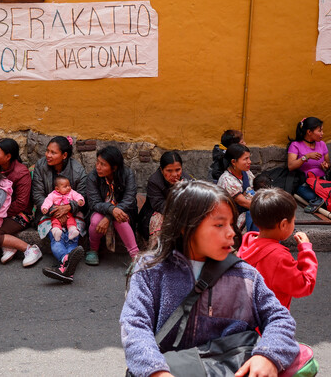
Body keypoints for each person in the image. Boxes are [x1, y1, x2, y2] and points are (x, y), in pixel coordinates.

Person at [120, 181, 299, 376]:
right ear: (184, 226)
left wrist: (268, 355)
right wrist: (155, 371)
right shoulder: (151, 270)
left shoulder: (246, 275)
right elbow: (135, 325)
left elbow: (280, 319)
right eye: (219, 224)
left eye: (231, 224)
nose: (231, 232)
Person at [237, 188, 318, 310]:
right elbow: (305, 285)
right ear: (284, 224)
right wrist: (306, 250)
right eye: (293, 221)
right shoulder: (279, 257)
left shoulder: (247, 242)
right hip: (269, 321)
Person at [34, 136, 87, 283]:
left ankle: (64, 266)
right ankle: (67, 260)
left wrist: (70, 207)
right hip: (49, 212)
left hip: (73, 212)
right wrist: (55, 211)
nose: (47, 155)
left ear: (64, 155)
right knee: (55, 235)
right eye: (47, 151)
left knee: (72, 236)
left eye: (53, 152)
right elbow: (37, 195)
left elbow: (84, 197)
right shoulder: (41, 166)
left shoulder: (78, 171)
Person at [0, 138, 42, 267]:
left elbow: (22, 203)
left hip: (20, 213)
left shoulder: (21, 173)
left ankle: (30, 249)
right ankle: (9, 246)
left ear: (8, 156)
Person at [85, 146, 139, 266]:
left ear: (114, 168)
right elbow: (94, 203)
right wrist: (111, 210)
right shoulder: (93, 177)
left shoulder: (127, 174)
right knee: (95, 221)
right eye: (97, 162)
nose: (98, 167)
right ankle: (93, 250)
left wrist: (110, 216)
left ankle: (136, 257)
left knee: (121, 219)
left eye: (103, 164)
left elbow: (129, 199)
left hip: (124, 210)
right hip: (100, 209)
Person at [136, 151, 187, 244]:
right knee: (160, 221)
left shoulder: (186, 181)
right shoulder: (154, 181)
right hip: (156, 212)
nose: (174, 174)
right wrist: (176, 191)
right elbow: (160, 205)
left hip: (178, 210)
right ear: (161, 170)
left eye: (178, 170)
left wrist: (183, 189)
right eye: (169, 171)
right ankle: (157, 251)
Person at [287, 117, 330, 210]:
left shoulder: (322, 144)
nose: (322, 134)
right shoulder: (295, 145)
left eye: (322, 130)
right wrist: (306, 157)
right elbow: (291, 166)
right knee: (315, 197)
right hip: (304, 183)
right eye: (319, 131)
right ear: (309, 132)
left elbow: (328, 163)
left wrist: (325, 166)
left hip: (321, 181)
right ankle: (322, 201)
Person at [217, 143, 257, 231]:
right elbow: (245, 203)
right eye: (245, 159)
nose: (249, 161)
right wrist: (268, 207)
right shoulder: (227, 180)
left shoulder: (246, 172)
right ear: (233, 162)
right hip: (233, 218)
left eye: (249, 158)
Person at [42, 176, 85, 244]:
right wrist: (45, 208)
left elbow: (78, 195)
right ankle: (56, 231)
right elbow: (47, 201)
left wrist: (80, 200)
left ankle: (72, 230)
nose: (68, 188)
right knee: (55, 222)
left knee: (71, 220)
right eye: (65, 186)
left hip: (69, 213)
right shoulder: (52, 195)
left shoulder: (71, 192)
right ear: (57, 189)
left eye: (69, 185)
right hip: (56, 215)